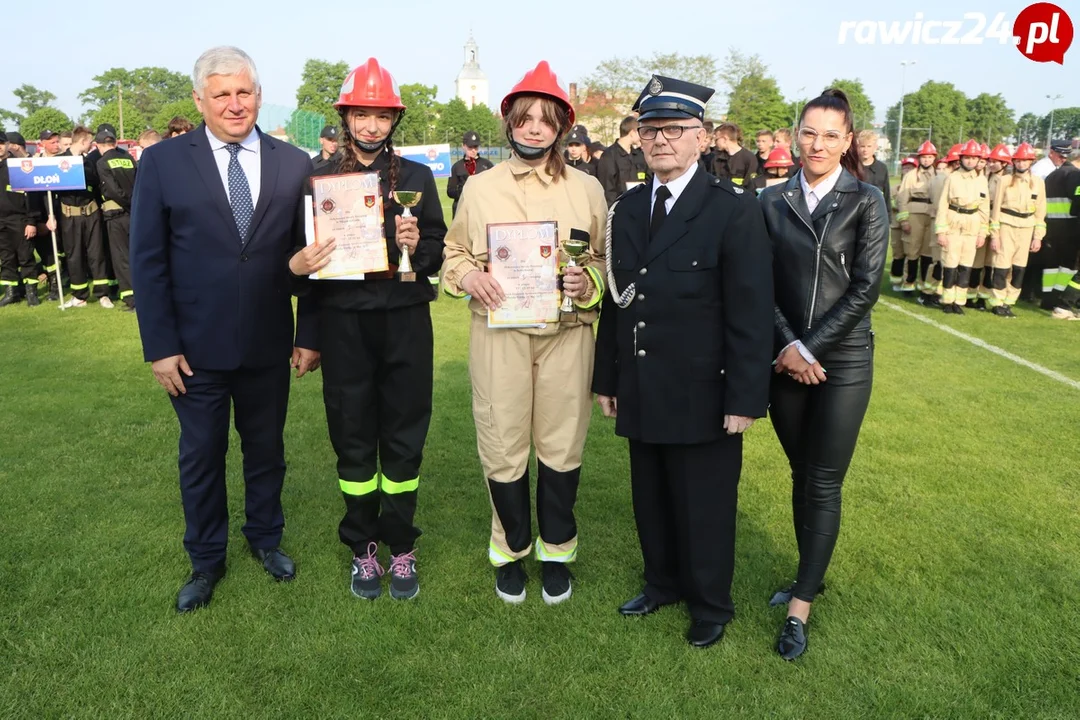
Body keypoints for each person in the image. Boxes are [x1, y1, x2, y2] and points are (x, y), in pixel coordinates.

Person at [129, 45, 319, 613]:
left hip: (267, 341)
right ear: (200, 100)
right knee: (202, 457)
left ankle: (265, 539)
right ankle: (206, 560)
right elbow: (148, 260)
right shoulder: (162, 163)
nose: (235, 105)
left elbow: (310, 256)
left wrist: (308, 332)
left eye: (244, 92)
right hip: (193, 350)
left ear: (258, 96)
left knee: (266, 451)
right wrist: (160, 347)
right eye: (222, 95)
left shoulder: (294, 162)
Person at [593, 74, 773, 650]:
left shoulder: (731, 210)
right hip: (643, 381)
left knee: (705, 504)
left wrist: (745, 398)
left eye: (674, 130)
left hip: (704, 388)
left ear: (702, 138)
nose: (660, 140)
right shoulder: (625, 210)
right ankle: (661, 582)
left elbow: (750, 311)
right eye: (651, 129)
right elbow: (618, 304)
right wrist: (608, 377)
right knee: (650, 496)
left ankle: (710, 602)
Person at [441, 60, 608, 606]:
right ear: (508, 123)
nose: (534, 127)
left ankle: (556, 549)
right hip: (500, 336)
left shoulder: (587, 189)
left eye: (546, 119)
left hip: (567, 335)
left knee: (561, 444)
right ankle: (510, 550)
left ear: (561, 125)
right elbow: (454, 253)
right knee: (503, 441)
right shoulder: (479, 187)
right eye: (524, 118)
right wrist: (469, 276)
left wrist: (589, 284)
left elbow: (604, 261)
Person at [290, 58, 447, 601]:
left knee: (404, 437)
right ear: (347, 116)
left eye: (381, 116)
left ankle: (401, 546)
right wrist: (306, 334)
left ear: (393, 120)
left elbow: (434, 253)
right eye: (362, 114)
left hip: (405, 322)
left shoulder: (420, 178)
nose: (371, 126)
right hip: (344, 324)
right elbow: (308, 267)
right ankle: (363, 546)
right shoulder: (320, 178)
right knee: (353, 436)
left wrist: (415, 244)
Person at [760, 88, 887, 661]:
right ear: (795, 134)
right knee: (799, 472)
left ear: (848, 141)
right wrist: (790, 344)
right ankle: (809, 572)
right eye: (809, 132)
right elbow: (756, 283)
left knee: (824, 480)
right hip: (784, 357)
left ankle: (800, 605)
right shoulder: (770, 200)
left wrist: (810, 348)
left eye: (831, 134)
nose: (818, 143)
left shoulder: (867, 200)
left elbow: (866, 289)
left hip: (844, 359)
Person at [50, 126, 112, 308]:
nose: (91, 145)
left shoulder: (90, 161)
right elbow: (48, 191)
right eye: (90, 142)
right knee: (74, 255)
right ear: (83, 141)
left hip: (91, 213)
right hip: (69, 215)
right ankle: (80, 295)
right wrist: (50, 215)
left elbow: (97, 184)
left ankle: (103, 294)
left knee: (97, 253)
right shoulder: (59, 161)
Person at [986, 143, 1045, 318]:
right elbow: (995, 209)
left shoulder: (1038, 183)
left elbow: (1041, 211)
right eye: (1018, 161)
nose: (1021, 164)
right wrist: (994, 235)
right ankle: (997, 302)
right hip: (1006, 225)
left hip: (1027, 227)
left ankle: (1009, 302)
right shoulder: (1004, 181)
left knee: (1019, 268)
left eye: (1025, 161)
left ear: (1031, 162)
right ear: (1013, 162)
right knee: (1002, 265)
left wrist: (1038, 237)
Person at [933, 140, 990, 314]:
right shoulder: (952, 178)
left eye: (974, 158)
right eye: (967, 158)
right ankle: (948, 300)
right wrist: (941, 231)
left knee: (966, 265)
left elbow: (984, 208)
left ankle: (959, 301)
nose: (970, 162)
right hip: (953, 221)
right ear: (961, 159)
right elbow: (943, 204)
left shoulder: (981, 181)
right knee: (950, 263)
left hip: (972, 225)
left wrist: (982, 233)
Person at [95, 126, 138, 312]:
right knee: (135, 255)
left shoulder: (102, 162)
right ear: (114, 142)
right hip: (134, 213)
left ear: (98, 145)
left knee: (122, 258)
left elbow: (113, 190)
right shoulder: (128, 158)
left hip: (116, 214)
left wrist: (126, 203)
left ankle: (131, 298)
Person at [0, 137, 45, 307]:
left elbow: (31, 196)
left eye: (1, 144)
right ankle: (11, 293)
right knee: (6, 258)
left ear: (6, 145)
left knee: (26, 257)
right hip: (1, 221)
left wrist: (31, 221)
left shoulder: (18, 166)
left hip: (19, 219)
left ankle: (31, 293)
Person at [1039, 142, 1080, 317]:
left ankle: (1047, 300)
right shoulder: (1075, 176)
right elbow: (1076, 205)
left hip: (1051, 226)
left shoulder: (1052, 175)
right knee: (1069, 266)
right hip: (1070, 227)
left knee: (1051, 266)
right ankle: (1061, 301)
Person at [896, 140, 938, 305]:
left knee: (928, 253)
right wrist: (904, 220)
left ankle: (924, 284)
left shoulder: (939, 175)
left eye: (929, 157)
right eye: (924, 157)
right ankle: (908, 283)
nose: (927, 160)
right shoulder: (911, 175)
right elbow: (902, 199)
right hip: (915, 214)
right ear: (919, 158)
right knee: (912, 251)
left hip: (932, 215)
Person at [856, 131, 892, 281]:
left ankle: (868, 283)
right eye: (862, 146)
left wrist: (888, 220)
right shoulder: (851, 166)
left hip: (875, 217)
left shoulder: (882, 168)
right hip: (854, 216)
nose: (865, 149)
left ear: (875, 147)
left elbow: (887, 195)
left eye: (869, 146)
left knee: (871, 254)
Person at [597, 115, 648, 205]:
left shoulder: (639, 155)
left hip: (640, 206)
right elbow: (607, 188)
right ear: (632, 133)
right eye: (639, 132)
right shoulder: (609, 156)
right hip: (618, 208)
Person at [446, 130, 493, 218]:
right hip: (462, 211)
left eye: (475, 147)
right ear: (463, 146)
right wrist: (465, 191)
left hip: (482, 210)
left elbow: (495, 188)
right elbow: (450, 191)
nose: (473, 150)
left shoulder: (487, 165)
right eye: (470, 147)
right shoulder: (457, 166)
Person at [892, 157, 916, 291]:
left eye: (910, 168)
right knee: (898, 253)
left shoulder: (916, 187)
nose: (907, 170)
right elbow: (892, 203)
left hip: (912, 224)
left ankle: (908, 280)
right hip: (896, 224)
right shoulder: (894, 188)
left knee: (910, 252)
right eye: (905, 167)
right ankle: (896, 280)